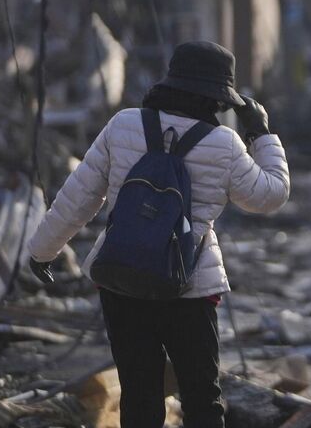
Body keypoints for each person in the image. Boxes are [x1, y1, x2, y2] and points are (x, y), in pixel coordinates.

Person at [25, 41, 289, 428]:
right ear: (219, 98)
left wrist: (41, 251)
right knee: (202, 396)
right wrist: (261, 132)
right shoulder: (224, 145)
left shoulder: (123, 125)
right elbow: (271, 195)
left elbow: (78, 196)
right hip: (189, 288)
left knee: (139, 394)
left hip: (121, 279)